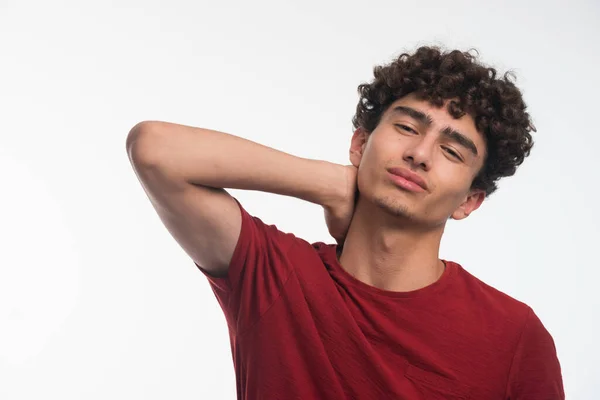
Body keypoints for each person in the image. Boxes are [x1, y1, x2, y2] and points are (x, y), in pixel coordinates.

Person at [126, 45, 564, 399]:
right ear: (360, 144)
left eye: (451, 151)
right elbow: (154, 149)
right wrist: (326, 183)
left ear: (469, 201)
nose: (420, 154)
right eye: (408, 128)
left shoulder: (513, 334)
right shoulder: (274, 273)